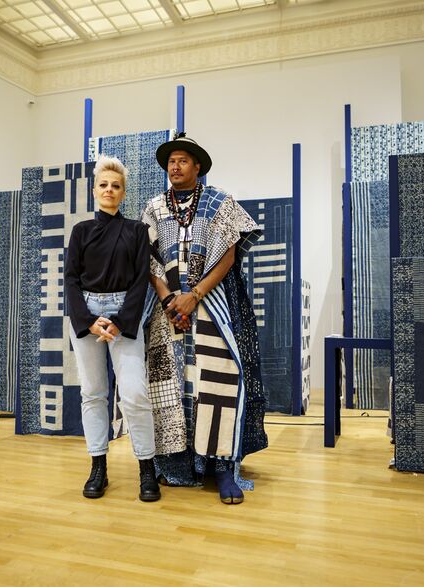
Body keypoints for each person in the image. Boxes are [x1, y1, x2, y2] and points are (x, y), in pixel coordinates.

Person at [140, 133, 268, 504]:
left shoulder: (219, 202)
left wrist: (194, 295)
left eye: (182, 160)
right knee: (169, 386)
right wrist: (170, 300)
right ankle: (176, 464)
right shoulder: (153, 208)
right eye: (171, 161)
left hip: (211, 306)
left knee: (218, 382)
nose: (175, 167)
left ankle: (222, 467)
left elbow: (229, 252)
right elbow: (148, 259)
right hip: (167, 312)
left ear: (198, 166)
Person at [64, 155, 160, 502]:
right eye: (103, 185)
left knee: (134, 393)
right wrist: (88, 321)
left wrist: (119, 321)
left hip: (124, 315)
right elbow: (71, 280)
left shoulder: (136, 231)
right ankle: (98, 467)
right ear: (94, 191)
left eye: (115, 186)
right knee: (93, 393)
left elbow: (140, 281)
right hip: (86, 314)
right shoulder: (81, 231)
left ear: (123, 192)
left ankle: (146, 468)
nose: (109, 190)